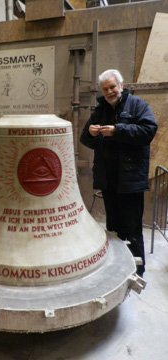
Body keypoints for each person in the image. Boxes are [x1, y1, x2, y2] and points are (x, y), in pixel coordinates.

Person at [80, 69, 158, 277]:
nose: (109, 91)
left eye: (112, 87)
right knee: (113, 227)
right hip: (109, 180)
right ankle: (117, 271)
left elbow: (148, 131)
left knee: (132, 229)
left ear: (121, 85)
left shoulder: (138, 106)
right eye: (105, 89)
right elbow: (85, 140)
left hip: (130, 180)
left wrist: (118, 130)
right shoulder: (99, 111)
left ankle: (136, 272)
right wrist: (89, 133)